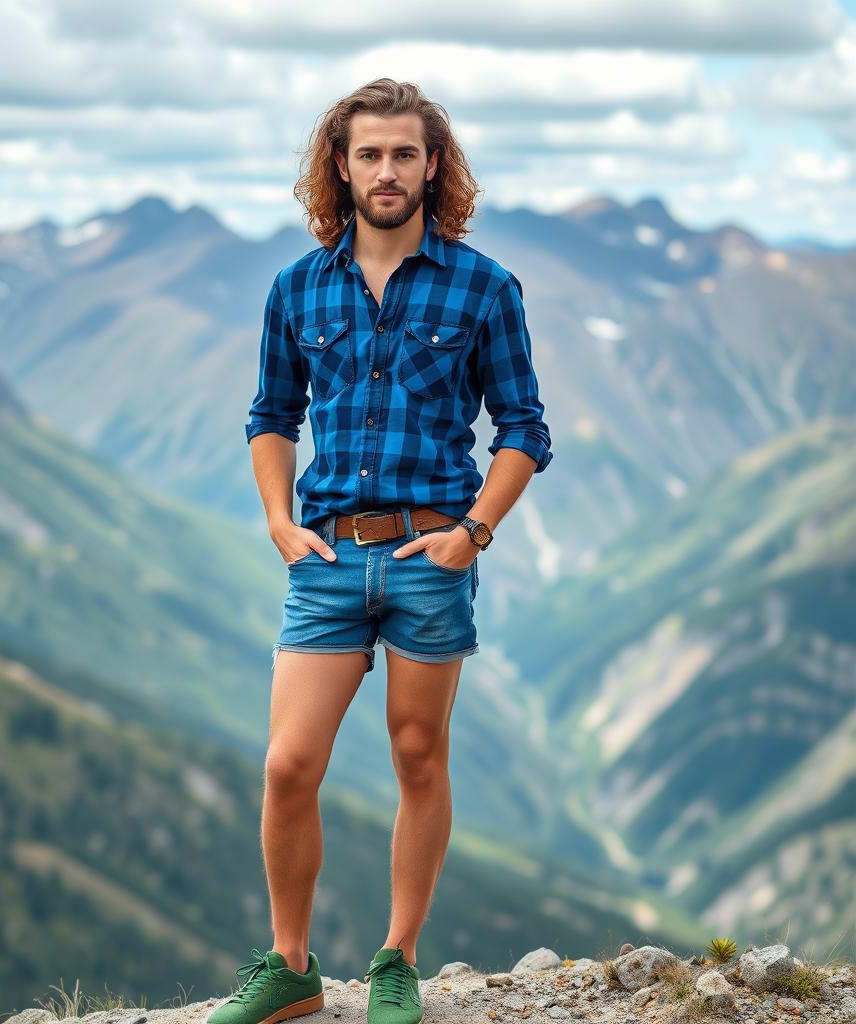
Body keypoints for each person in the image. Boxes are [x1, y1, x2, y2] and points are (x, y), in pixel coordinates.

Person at [209, 78, 553, 1024]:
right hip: (325, 562)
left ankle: (397, 960)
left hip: (427, 559)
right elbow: (271, 418)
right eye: (369, 154)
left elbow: (523, 428)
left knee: (417, 758)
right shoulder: (298, 287)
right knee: (288, 766)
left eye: (405, 153)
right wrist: (281, 523)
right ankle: (290, 968)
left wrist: (472, 533)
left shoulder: (482, 285)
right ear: (341, 165)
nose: (387, 170)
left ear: (432, 164)